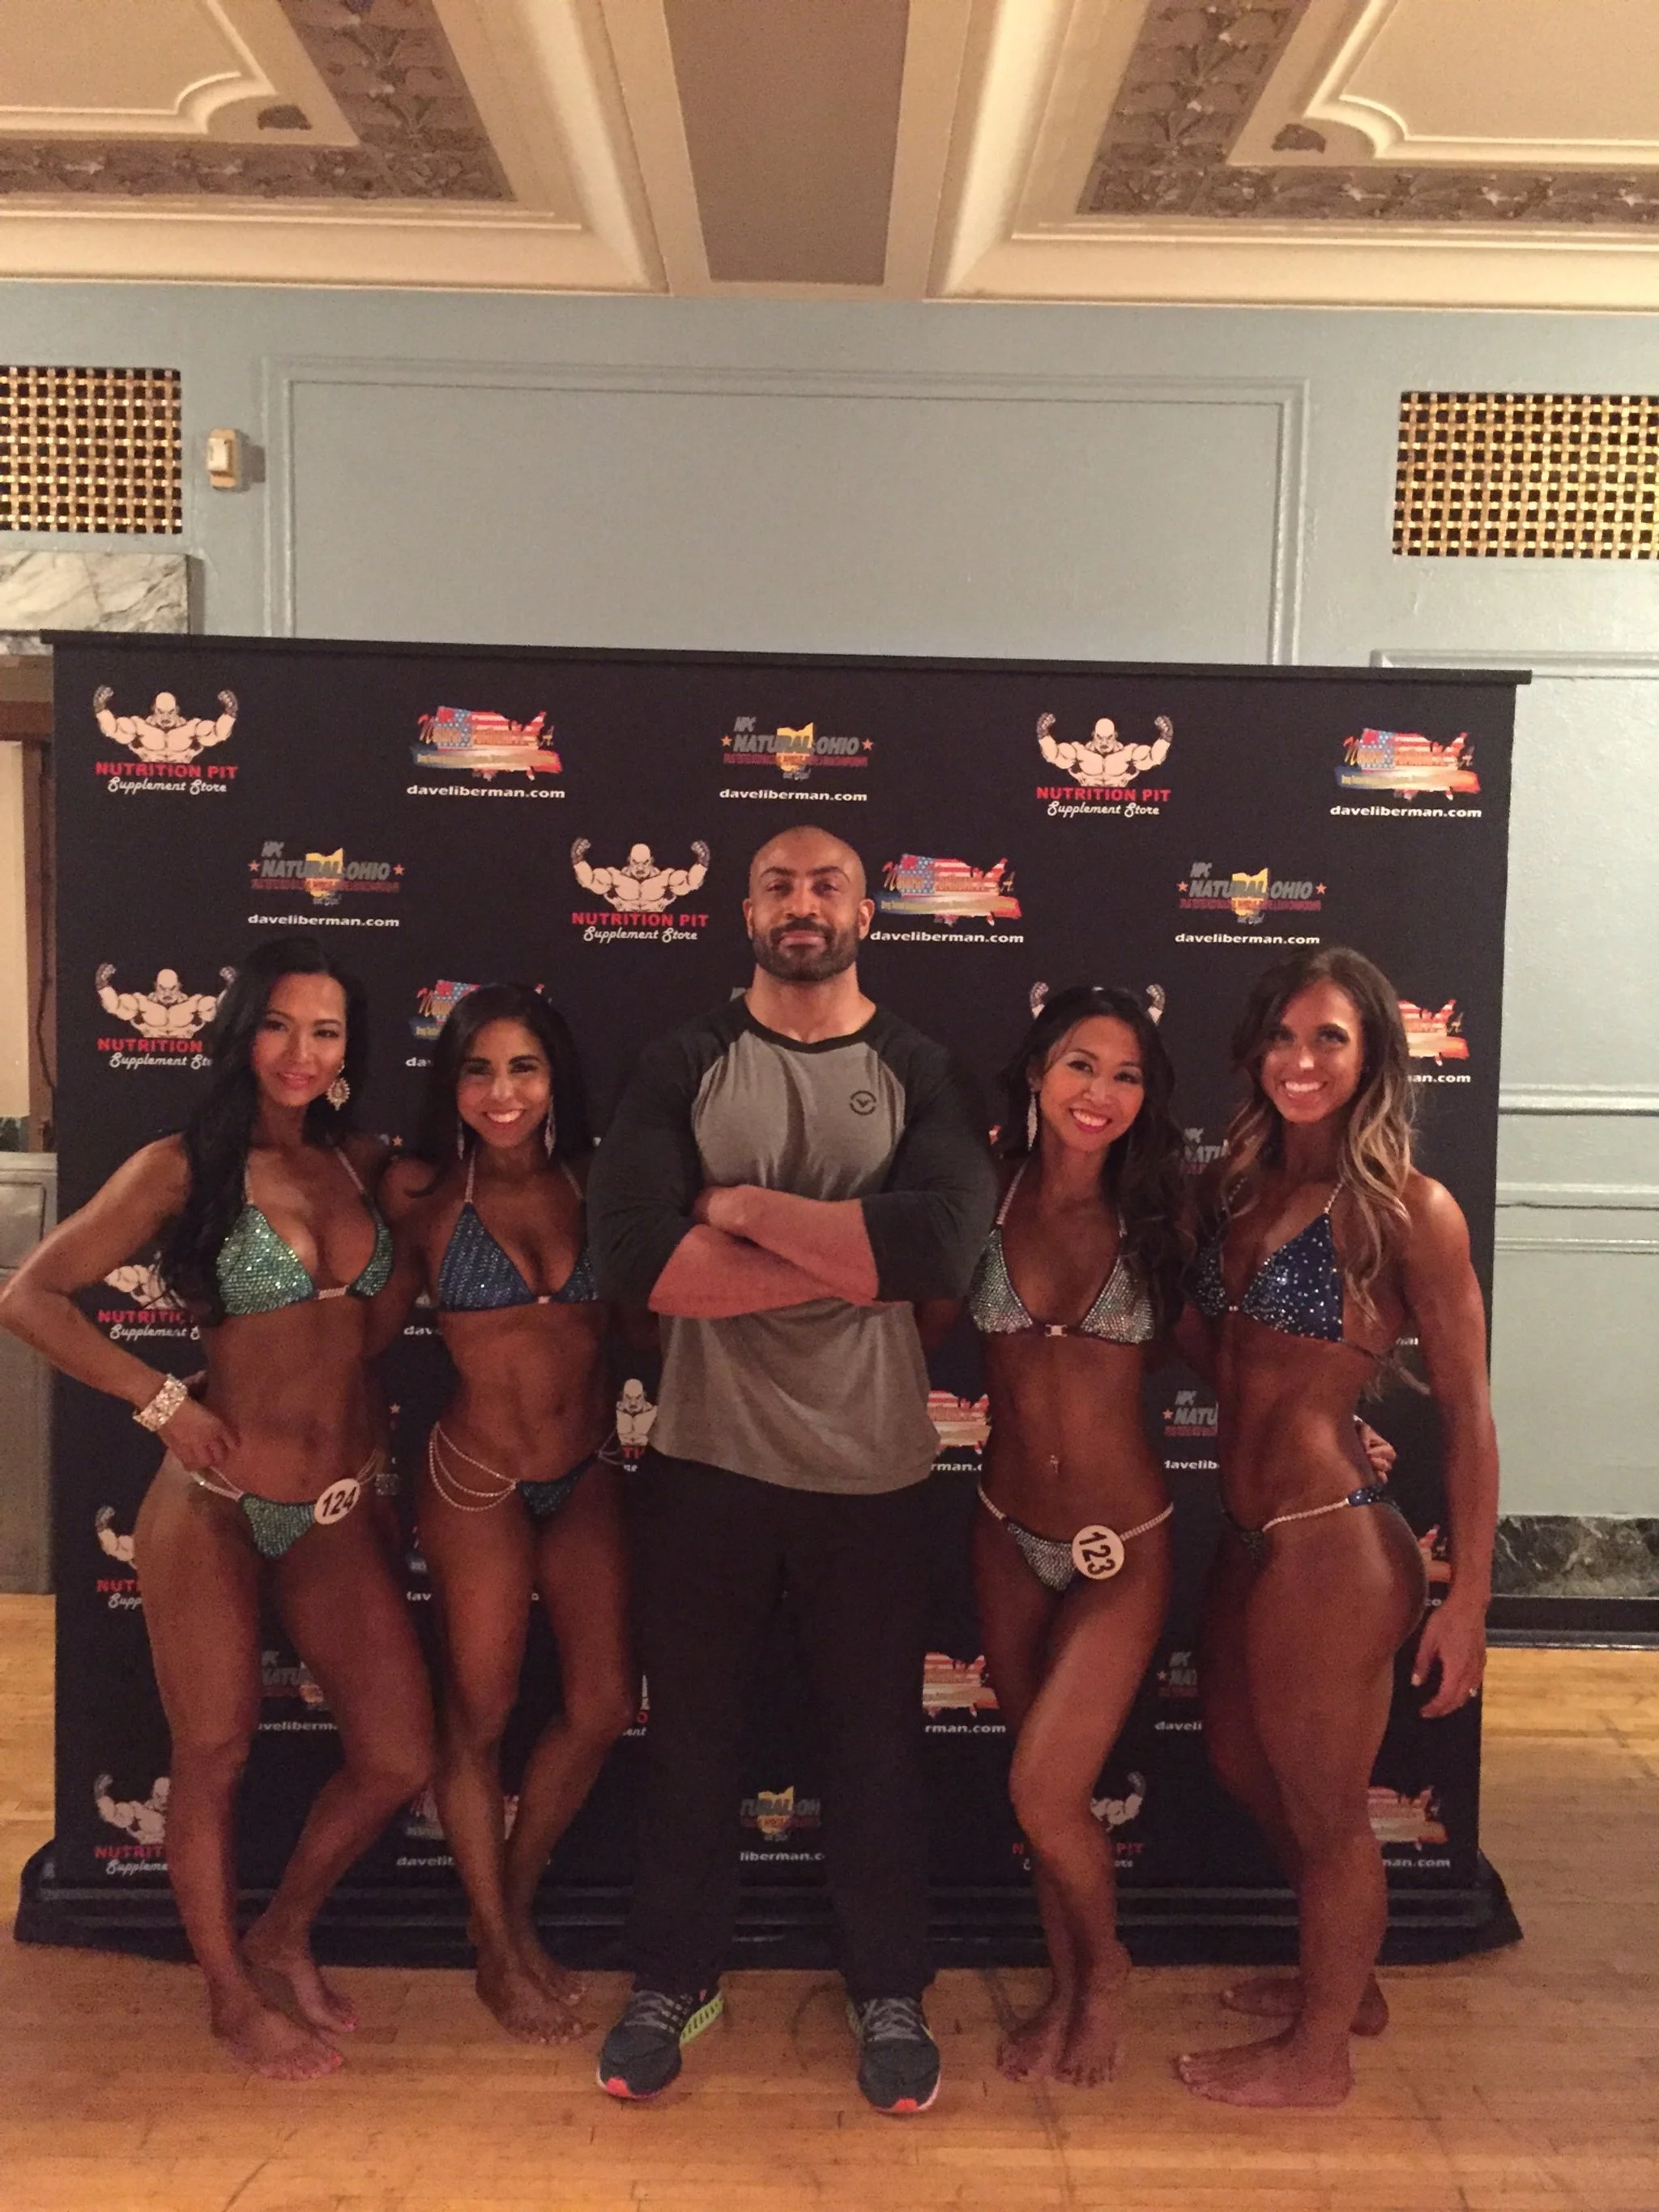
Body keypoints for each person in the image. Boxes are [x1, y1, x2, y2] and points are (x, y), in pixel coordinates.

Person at [586, 824, 996, 2115]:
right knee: (693, 1743)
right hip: (706, 1461)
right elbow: (648, 1269)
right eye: (777, 883)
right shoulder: (684, 1061)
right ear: (743, 908)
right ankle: (672, 1979)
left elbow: (933, 1250)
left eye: (826, 884)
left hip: (873, 1471)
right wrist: (846, 1252)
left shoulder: (921, 1067)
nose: (801, 903)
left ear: (867, 909)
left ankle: (888, 1990)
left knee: (874, 1748)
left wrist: (748, 1208)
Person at [0, 936, 433, 2081]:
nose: (301, 1051)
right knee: (215, 1749)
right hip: (214, 1504)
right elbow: (28, 1293)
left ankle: (281, 1928)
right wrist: (157, 1400)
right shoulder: (181, 1165)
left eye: (326, 1030)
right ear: (241, 1032)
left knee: (397, 1753)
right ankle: (228, 1993)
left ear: (350, 1050)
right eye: (281, 1024)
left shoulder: (361, 1162)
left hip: (335, 1507)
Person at [1175, 946, 1498, 2108]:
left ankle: (1321, 2056)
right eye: (1285, 1037)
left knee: (1326, 1810)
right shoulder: (1235, 1190)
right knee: (1235, 1761)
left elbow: (1466, 1410)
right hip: (1250, 1532)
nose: (1302, 1062)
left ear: (1373, 1060)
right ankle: (1342, 1981)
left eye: (1331, 1040)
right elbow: (1222, 1355)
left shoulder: (1410, 1208)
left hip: (1335, 1543)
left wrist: (1468, 1597)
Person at [375, 983, 633, 2044]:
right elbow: (358, 1329)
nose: (501, 1091)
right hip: (475, 1478)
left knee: (605, 1702)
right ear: (454, 1083)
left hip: (582, 1470)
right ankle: (492, 1941)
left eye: (522, 1067)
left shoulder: (599, 1181)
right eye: (478, 1069)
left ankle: (513, 1901)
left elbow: (651, 1324)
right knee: (477, 1716)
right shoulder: (426, 1195)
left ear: (553, 1078)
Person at [965, 984, 1187, 2087]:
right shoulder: (982, 1196)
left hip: (1125, 1545)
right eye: (1081, 1066)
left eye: (1128, 1074)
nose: (1101, 1093)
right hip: (1006, 1535)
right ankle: (1063, 1986)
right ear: (1038, 1074)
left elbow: (1240, 1359)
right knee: (1035, 1788)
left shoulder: (1164, 1216)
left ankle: (1105, 1971)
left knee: (1049, 1793)